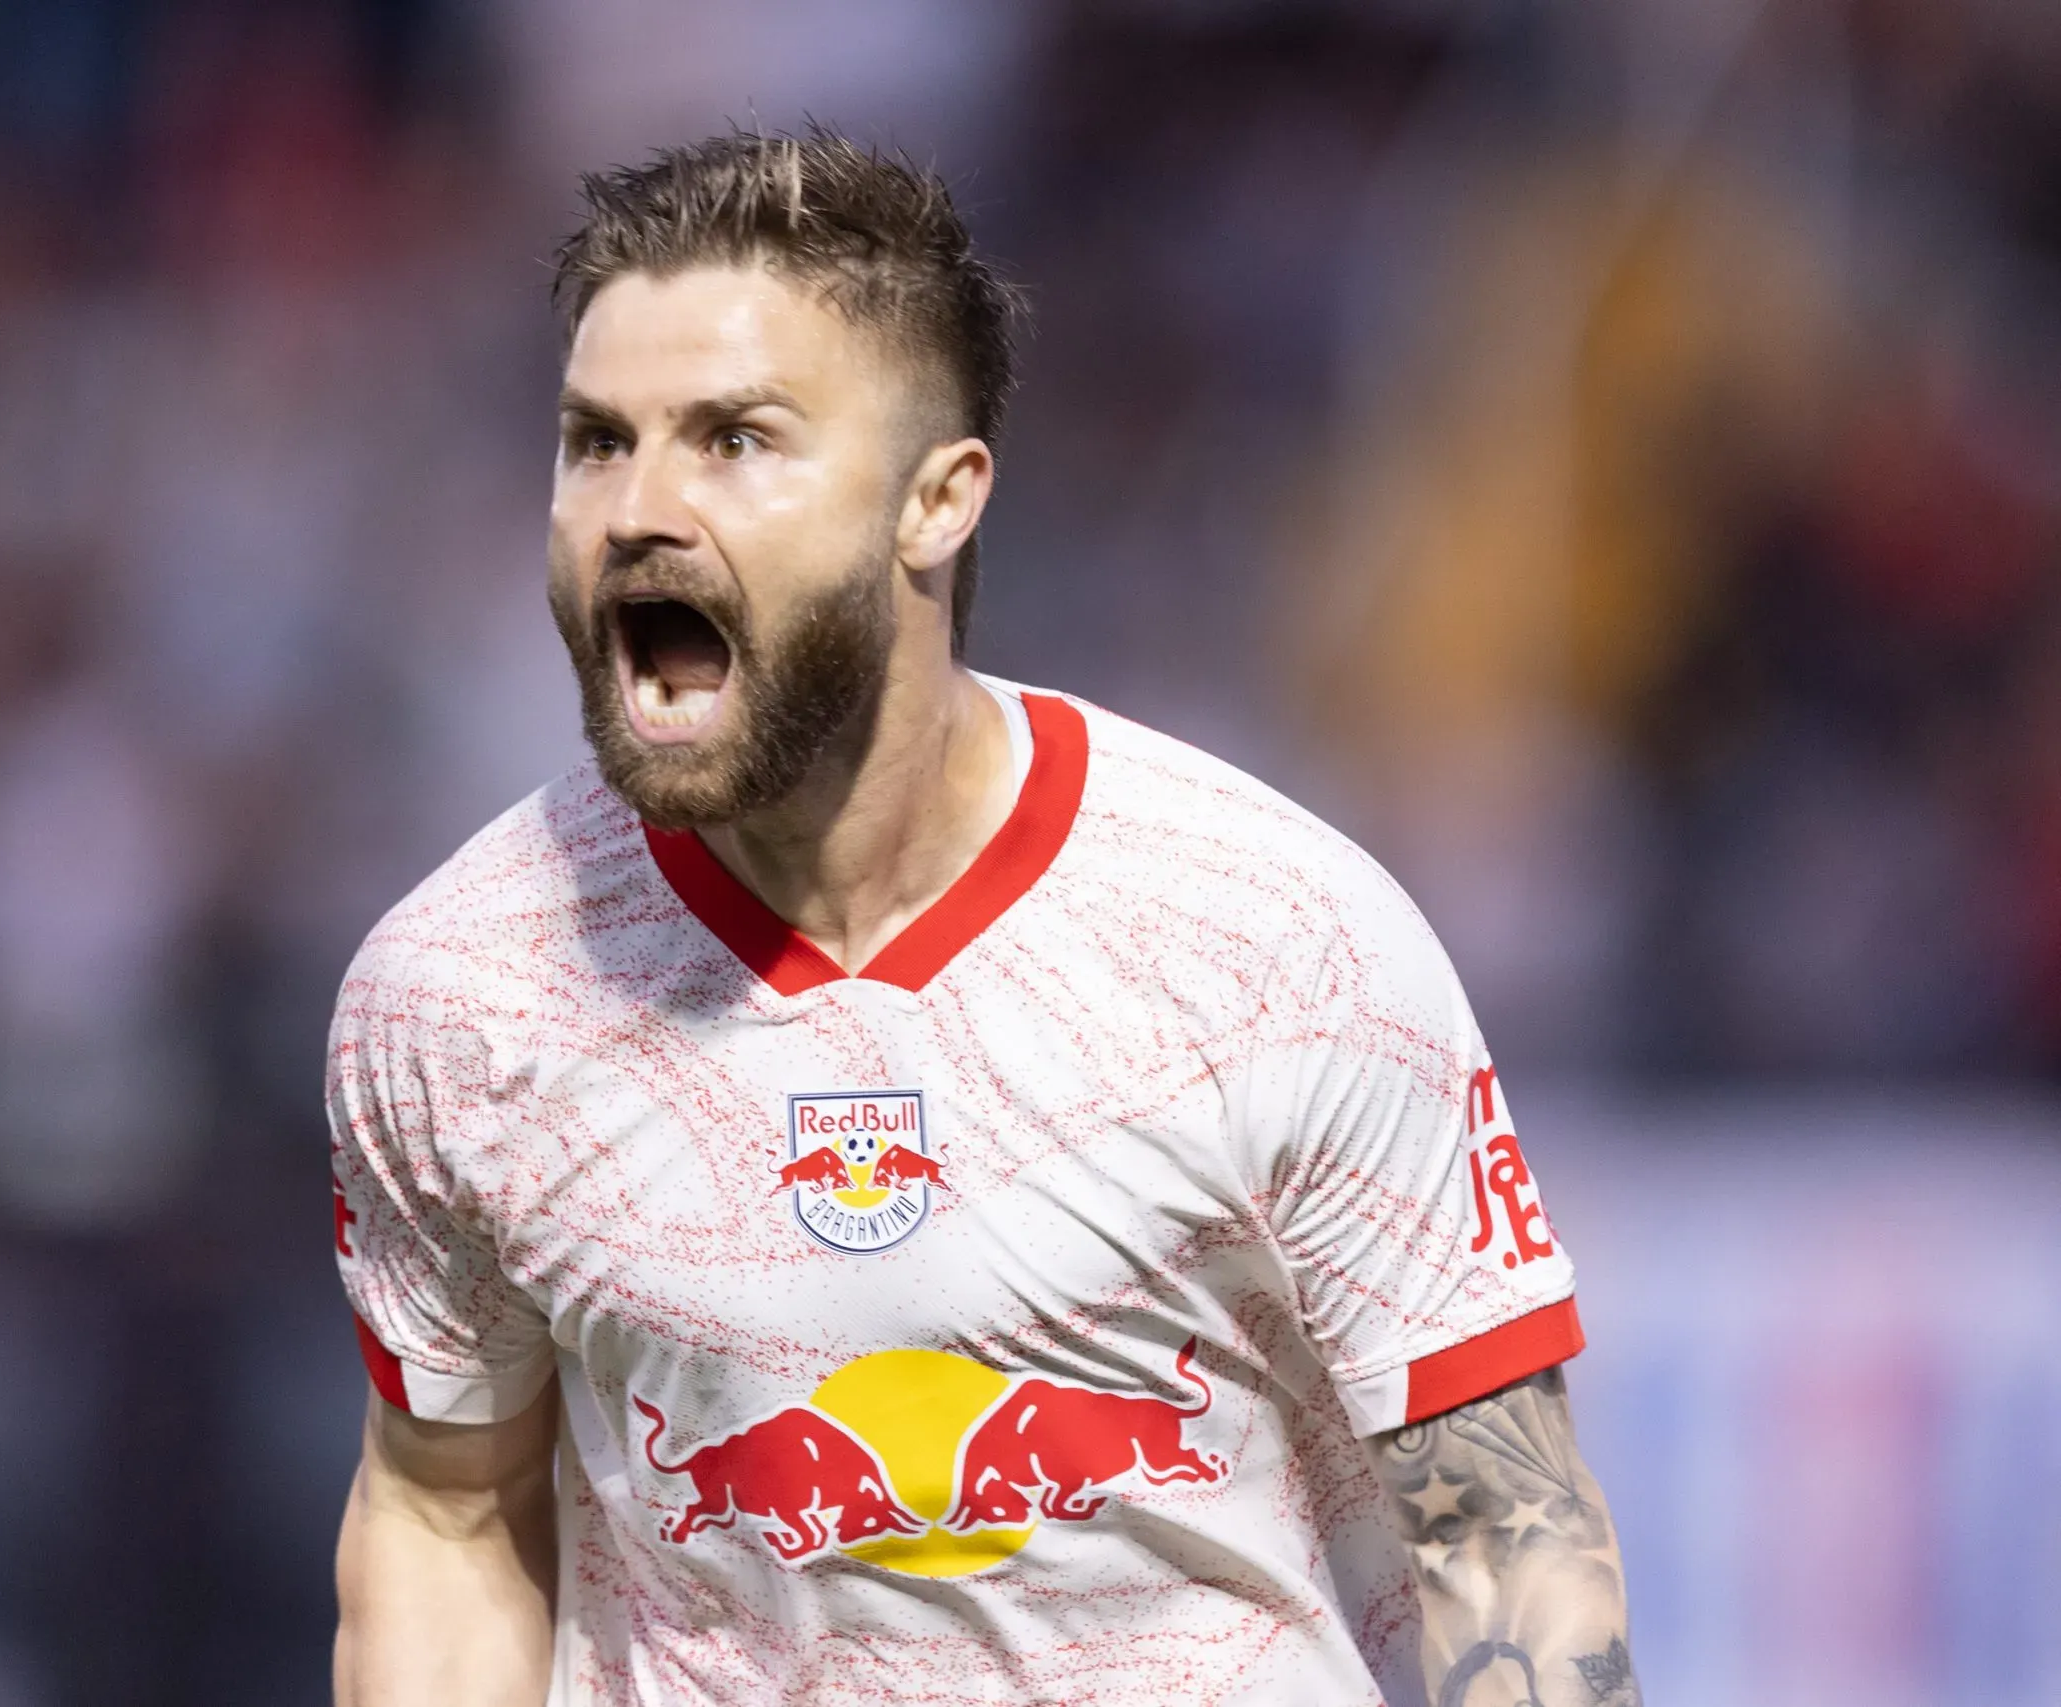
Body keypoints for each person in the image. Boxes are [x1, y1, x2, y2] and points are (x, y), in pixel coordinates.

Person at [326, 127, 1640, 1707]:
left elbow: (1501, 1526)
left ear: (936, 501)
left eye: (735, 439)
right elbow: (445, 1501)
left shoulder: (1279, 938)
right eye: (597, 441)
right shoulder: (464, 989)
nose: (637, 508)